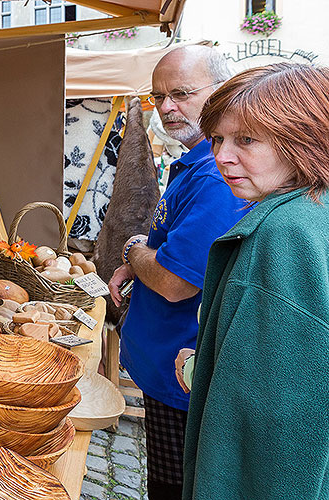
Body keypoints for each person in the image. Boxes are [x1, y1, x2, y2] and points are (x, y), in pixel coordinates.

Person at [176, 63, 329, 499]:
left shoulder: (287, 233)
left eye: (246, 139)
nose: (222, 155)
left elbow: (272, 429)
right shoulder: (314, 210)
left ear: (303, 139)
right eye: (219, 138)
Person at [107, 46, 249, 500]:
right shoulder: (196, 162)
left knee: (173, 489)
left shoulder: (216, 175)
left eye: (182, 93)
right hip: (168, 370)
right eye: (158, 96)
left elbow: (173, 281)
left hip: (181, 376)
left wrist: (132, 249)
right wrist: (140, 261)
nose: (167, 107)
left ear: (221, 93)